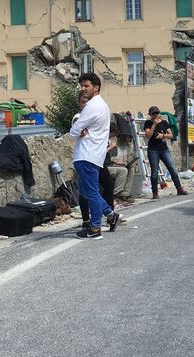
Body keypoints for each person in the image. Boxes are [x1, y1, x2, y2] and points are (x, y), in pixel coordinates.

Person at [70, 72, 121, 240]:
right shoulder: (103, 105)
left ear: (96, 87)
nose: (83, 89)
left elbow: (74, 130)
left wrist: (77, 130)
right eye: (82, 86)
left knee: (91, 192)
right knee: (87, 191)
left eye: (87, 86)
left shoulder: (92, 106)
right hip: (94, 155)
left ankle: (95, 228)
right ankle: (111, 215)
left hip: (87, 154)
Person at [144, 106, 188, 200]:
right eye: (153, 113)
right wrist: (154, 125)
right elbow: (148, 135)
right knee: (154, 171)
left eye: (157, 113)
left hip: (164, 149)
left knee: (172, 168)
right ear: (150, 115)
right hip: (153, 150)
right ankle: (155, 193)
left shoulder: (164, 122)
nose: (155, 115)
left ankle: (179, 189)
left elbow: (171, 135)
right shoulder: (148, 123)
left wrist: (163, 135)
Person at [106, 123, 136, 206]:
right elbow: (99, 155)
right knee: (123, 171)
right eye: (113, 134)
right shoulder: (101, 140)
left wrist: (116, 162)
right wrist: (110, 147)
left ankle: (124, 195)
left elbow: (107, 159)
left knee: (130, 169)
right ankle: (115, 195)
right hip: (102, 167)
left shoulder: (107, 140)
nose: (113, 137)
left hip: (108, 165)